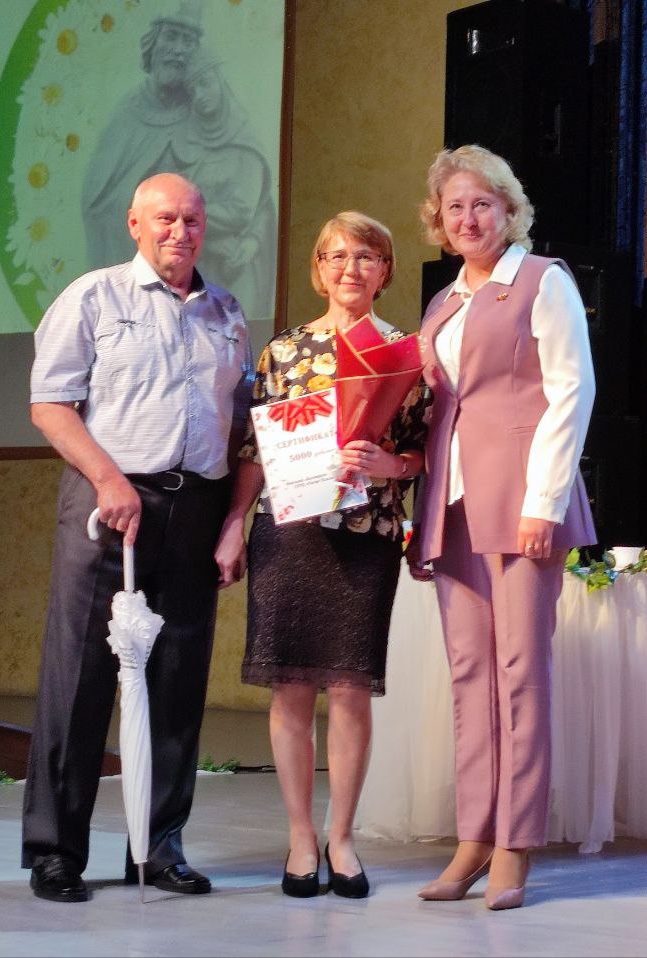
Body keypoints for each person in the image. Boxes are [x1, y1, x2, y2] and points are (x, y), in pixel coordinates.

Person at [22, 172, 252, 903]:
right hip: (110, 501)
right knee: (82, 676)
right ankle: (56, 853)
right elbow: (50, 404)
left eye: (192, 220)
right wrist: (108, 479)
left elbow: (242, 424)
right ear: (134, 224)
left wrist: (233, 521)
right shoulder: (94, 297)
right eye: (165, 219)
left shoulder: (227, 313)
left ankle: (158, 848)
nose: (179, 232)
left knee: (178, 679)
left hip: (196, 506)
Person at [214, 212, 429, 899]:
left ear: (385, 270)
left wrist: (392, 465)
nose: (350, 268)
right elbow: (253, 450)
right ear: (318, 269)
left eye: (365, 256)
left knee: (351, 690)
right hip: (289, 532)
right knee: (291, 687)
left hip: (367, 535)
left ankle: (343, 839)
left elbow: (425, 451)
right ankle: (301, 836)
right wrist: (233, 525)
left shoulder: (408, 354)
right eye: (336, 256)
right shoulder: (284, 351)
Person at [409, 146, 596, 911]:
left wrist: (544, 503)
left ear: (509, 210)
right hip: (451, 505)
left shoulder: (543, 280)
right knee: (470, 675)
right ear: (439, 221)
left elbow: (573, 391)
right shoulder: (443, 303)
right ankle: (474, 837)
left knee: (522, 673)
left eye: (481, 203)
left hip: (522, 501)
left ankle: (516, 843)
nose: (468, 218)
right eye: (454, 207)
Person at [81, 1, 276, 325]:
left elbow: (256, 202)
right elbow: (99, 205)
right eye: (171, 37)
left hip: (208, 295)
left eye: (189, 41)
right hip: (136, 301)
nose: (179, 50)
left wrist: (250, 238)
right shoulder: (128, 115)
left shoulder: (209, 115)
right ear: (152, 43)